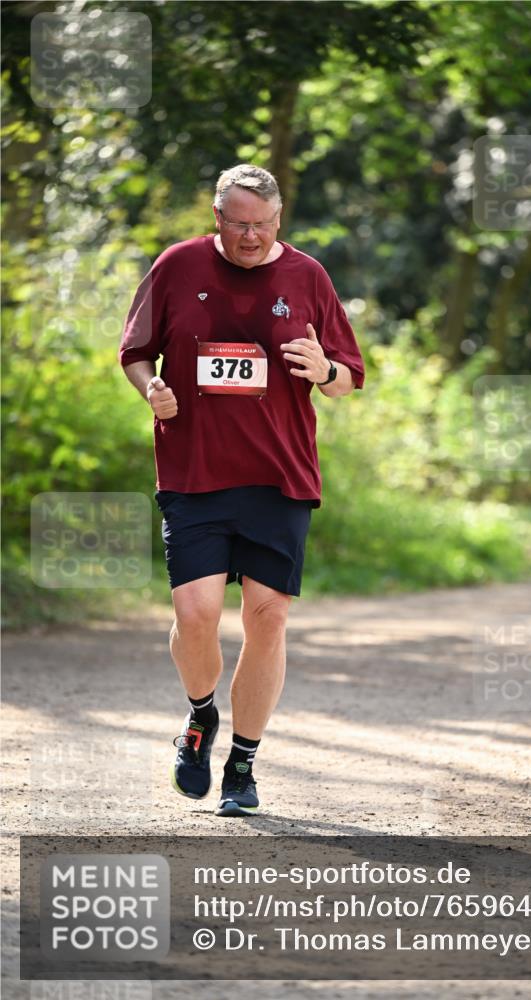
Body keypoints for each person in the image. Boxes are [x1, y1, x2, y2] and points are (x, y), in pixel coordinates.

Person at [119, 163, 364, 816]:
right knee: (195, 615)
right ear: (217, 219)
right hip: (194, 472)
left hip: (279, 476)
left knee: (268, 619)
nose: (250, 236)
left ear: (278, 219)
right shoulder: (177, 266)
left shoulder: (307, 277)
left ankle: (244, 764)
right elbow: (134, 352)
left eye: (261, 224)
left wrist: (326, 368)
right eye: (237, 224)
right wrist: (153, 390)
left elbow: (348, 377)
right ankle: (200, 715)